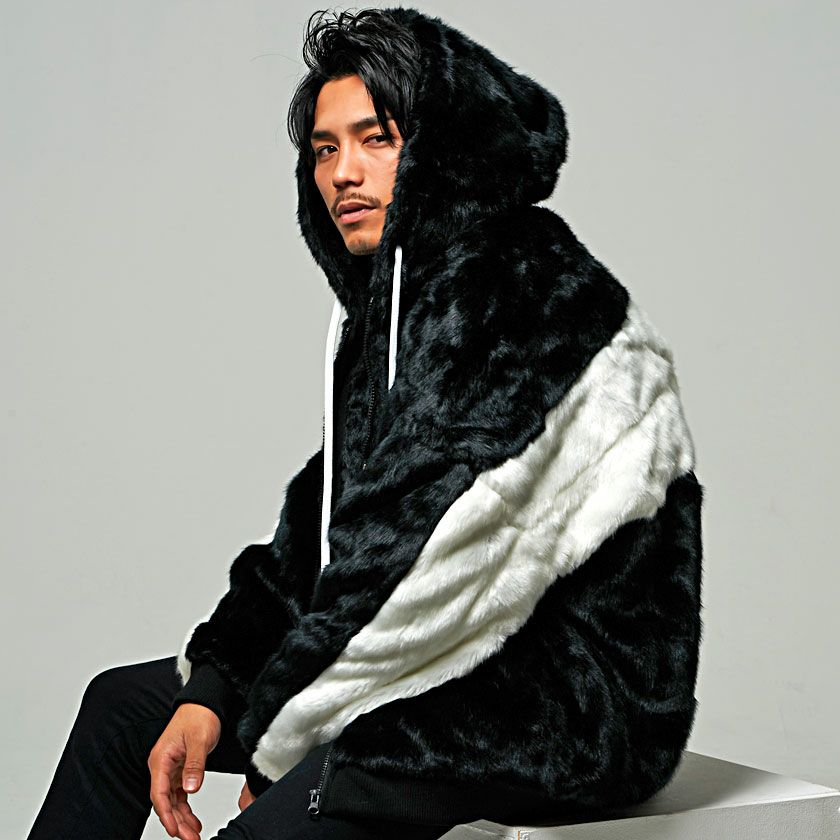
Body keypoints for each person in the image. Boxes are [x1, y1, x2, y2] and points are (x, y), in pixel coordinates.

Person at [26, 6, 705, 840]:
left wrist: (279, 742)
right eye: (323, 149)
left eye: (376, 139)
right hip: (434, 662)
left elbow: (421, 564)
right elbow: (317, 539)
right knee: (125, 708)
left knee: (291, 804)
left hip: (563, 700)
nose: (343, 173)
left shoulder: (523, 291)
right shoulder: (394, 309)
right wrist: (213, 686)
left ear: (443, 148)